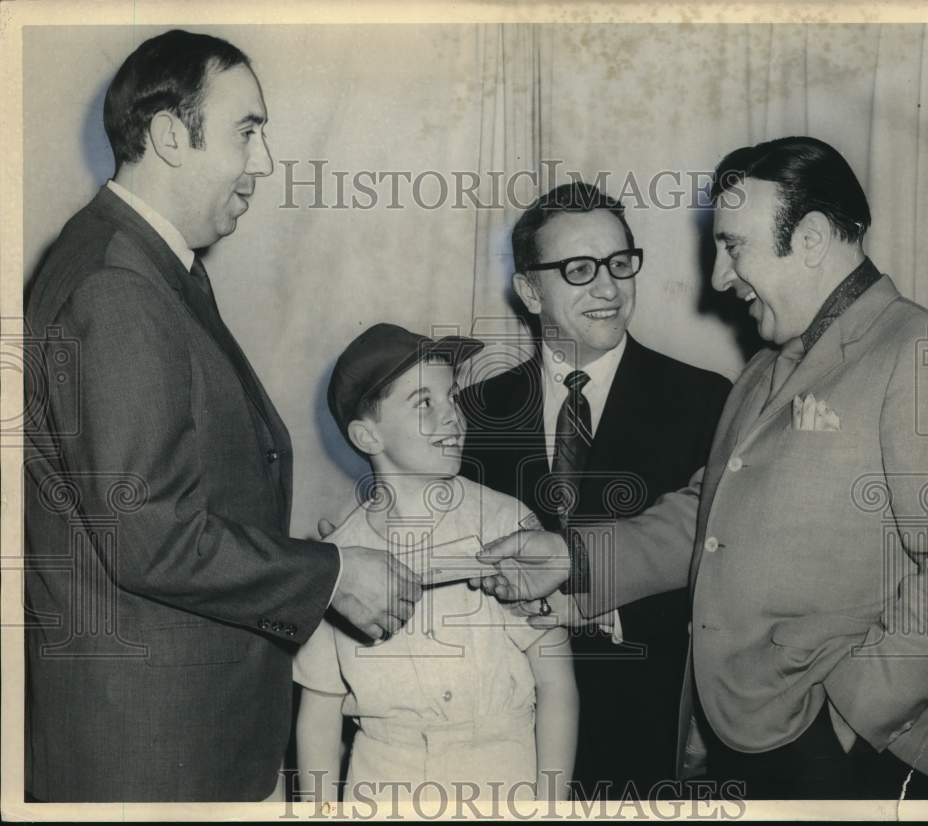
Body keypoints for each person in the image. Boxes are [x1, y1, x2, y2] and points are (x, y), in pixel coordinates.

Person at [477, 137, 928, 799]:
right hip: (738, 741)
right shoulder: (766, 370)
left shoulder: (925, 356)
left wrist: (850, 716)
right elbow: (705, 516)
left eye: (734, 246)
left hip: (839, 754)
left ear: (809, 239)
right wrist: (568, 558)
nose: (719, 277)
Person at [23, 30, 421, 802]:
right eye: (248, 131)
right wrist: (330, 575)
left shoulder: (141, 262)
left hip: (172, 731)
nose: (263, 164)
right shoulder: (120, 285)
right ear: (171, 136)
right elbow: (152, 536)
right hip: (156, 749)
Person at [458, 182, 730, 799]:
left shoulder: (706, 402)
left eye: (619, 262)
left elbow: (716, 563)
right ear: (529, 290)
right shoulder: (474, 414)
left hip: (648, 736)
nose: (608, 288)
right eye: (579, 269)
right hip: (504, 739)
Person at [294, 323, 578, 803]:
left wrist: (550, 806)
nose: (452, 416)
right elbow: (319, 710)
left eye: (452, 397)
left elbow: (556, 683)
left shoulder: (508, 527)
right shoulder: (338, 559)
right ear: (367, 435)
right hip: (383, 783)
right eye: (424, 402)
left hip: (501, 777)